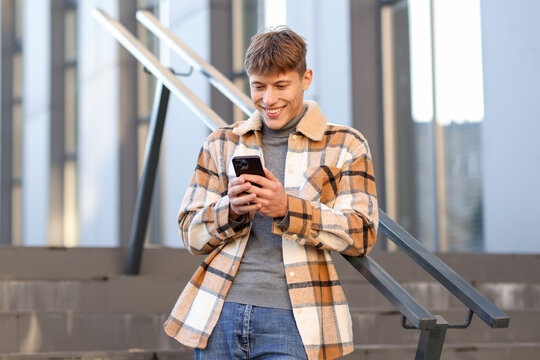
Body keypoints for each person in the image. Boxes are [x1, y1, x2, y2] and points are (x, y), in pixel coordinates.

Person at [164, 26, 378, 360]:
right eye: (258, 87)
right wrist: (230, 210)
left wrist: (287, 209)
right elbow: (191, 234)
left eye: (281, 86)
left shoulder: (345, 144)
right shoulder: (222, 143)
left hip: (295, 321)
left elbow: (362, 232)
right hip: (219, 313)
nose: (268, 99)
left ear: (305, 79)